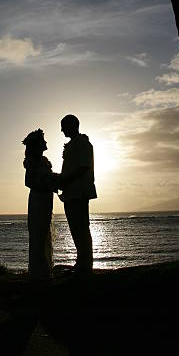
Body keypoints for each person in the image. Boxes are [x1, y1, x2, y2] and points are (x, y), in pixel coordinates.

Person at [59, 114, 97, 273]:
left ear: (72, 126)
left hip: (78, 191)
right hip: (72, 191)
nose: (61, 130)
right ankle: (82, 261)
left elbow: (83, 167)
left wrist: (65, 180)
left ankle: (85, 263)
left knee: (80, 227)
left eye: (63, 126)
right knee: (76, 227)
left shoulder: (82, 143)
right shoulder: (76, 143)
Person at [22, 128, 58, 281]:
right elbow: (28, 182)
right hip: (38, 199)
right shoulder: (33, 161)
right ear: (37, 144)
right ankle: (39, 271)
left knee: (43, 233)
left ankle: (44, 269)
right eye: (43, 140)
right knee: (38, 233)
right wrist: (46, 186)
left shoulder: (42, 160)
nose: (46, 142)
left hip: (45, 198)